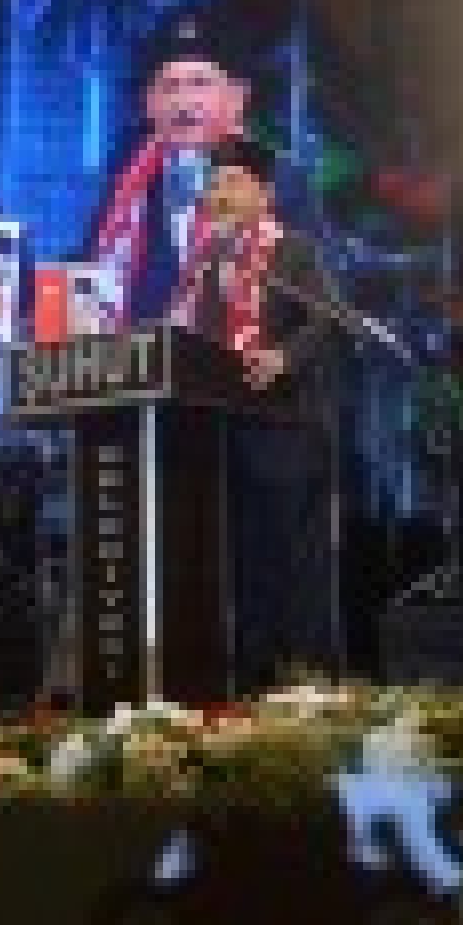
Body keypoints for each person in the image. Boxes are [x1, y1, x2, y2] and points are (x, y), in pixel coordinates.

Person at [190, 135, 341, 691]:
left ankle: (306, 682)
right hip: (226, 428)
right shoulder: (207, 259)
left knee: (292, 559)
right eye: (214, 184)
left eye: (233, 183)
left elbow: (326, 319)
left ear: (265, 194)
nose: (220, 194)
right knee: (242, 560)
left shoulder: (293, 251)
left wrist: (282, 357)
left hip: (287, 425)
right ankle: (251, 682)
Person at [91, 7, 250, 329]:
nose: (184, 103)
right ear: (150, 104)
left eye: (200, 84)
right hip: (139, 356)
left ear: (236, 98)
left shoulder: (276, 180)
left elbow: (312, 306)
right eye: (170, 86)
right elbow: (86, 273)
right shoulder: (125, 184)